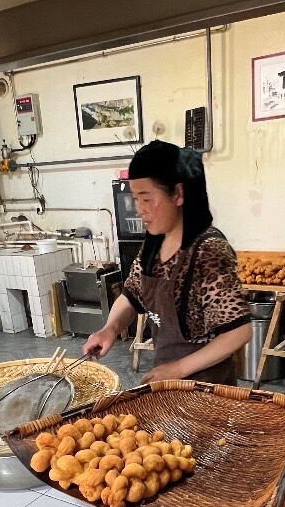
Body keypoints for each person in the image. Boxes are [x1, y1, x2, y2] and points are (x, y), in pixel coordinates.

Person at [84, 141, 250, 384]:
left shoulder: (208, 251)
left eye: (147, 199)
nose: (139, 209)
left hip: (208, 389)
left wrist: (180, 368)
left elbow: (238, 332)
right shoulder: (153, 245)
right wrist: (110, 328)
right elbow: (131, 296)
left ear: (178, 194)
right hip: (167, 380)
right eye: (136, 199)